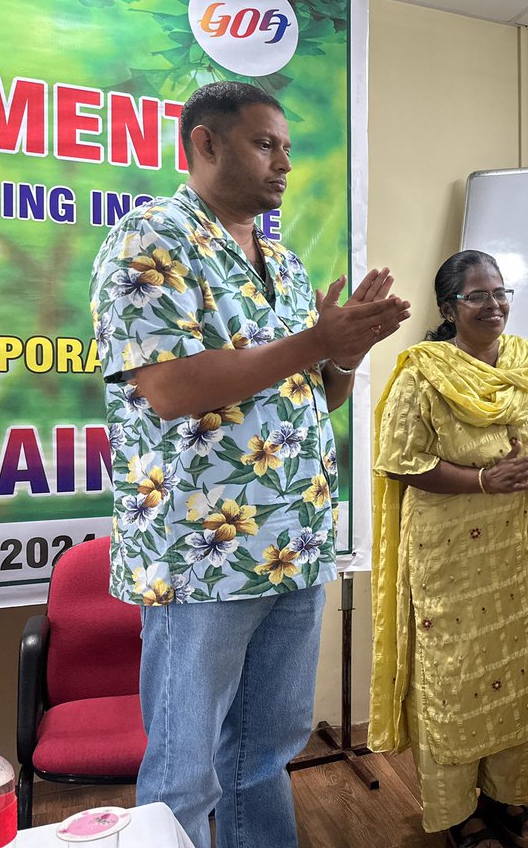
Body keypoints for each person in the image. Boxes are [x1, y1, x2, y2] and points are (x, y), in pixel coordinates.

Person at [89, 81, 410, 848]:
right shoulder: (150, 238)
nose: (284, 166)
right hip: (202, 556)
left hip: (291, 546)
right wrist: (315, 342)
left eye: (289, 150)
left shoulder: (286, 264)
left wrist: (346, 354)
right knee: (185, 769)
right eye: (266, 145)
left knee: (266, 754)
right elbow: (171, 388)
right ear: (204, 143)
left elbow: (310, 397)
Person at [369, 250, 528, 848]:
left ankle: (508, 798)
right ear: (448, 307)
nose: (494, 305)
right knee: (454, 678)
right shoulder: (423, 374)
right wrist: (485, 480)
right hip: (451, 552)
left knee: (514, 672)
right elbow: (404, 463)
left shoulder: (527, 361)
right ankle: (459, 814)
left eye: (501, 292)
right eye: (478, 296)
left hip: (521, 548)